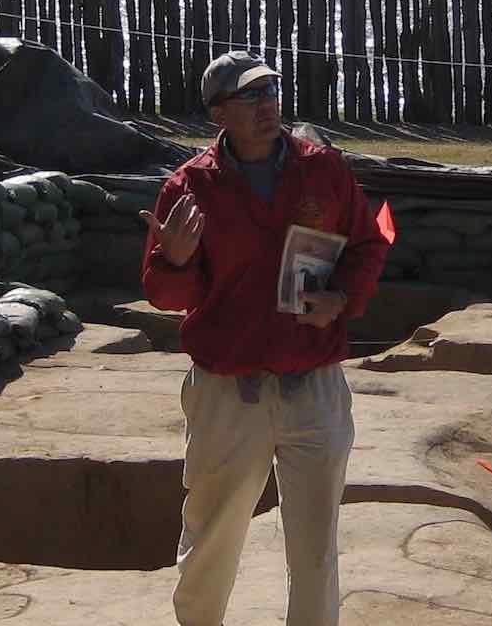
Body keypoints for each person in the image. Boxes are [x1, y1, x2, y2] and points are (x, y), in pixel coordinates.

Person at [140, 50, 389, 626]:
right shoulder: (189, 187)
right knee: (211, 539)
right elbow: (165, 294)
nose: (266, 104)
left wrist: (343, 300)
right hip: (229, 393)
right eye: (250, 96)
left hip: (315, 384)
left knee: (316, 548)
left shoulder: (324, 168)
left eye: (271, 90)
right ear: (218, 113)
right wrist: (175, 261)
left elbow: (369, 242)